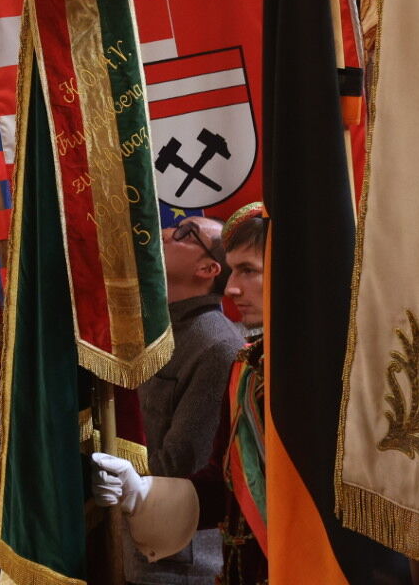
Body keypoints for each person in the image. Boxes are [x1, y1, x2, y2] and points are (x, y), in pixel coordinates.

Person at [93, 205, 270, 585]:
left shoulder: (219, 346)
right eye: (234, 270)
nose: (233, 287)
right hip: (161, 538)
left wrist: (142, 487)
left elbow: (189, 460)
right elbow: (224, 481)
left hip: (185, 562)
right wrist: (138, 492)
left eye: (248, 270)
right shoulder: (243, 359)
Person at [126, 215, 244, 584]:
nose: (164, 233)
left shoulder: (216, 345)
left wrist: (113, 474)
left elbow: (184, 463)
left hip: (178, 559)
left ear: (207, 269)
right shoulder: (160, 328)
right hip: (138, 540)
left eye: (184, 234)